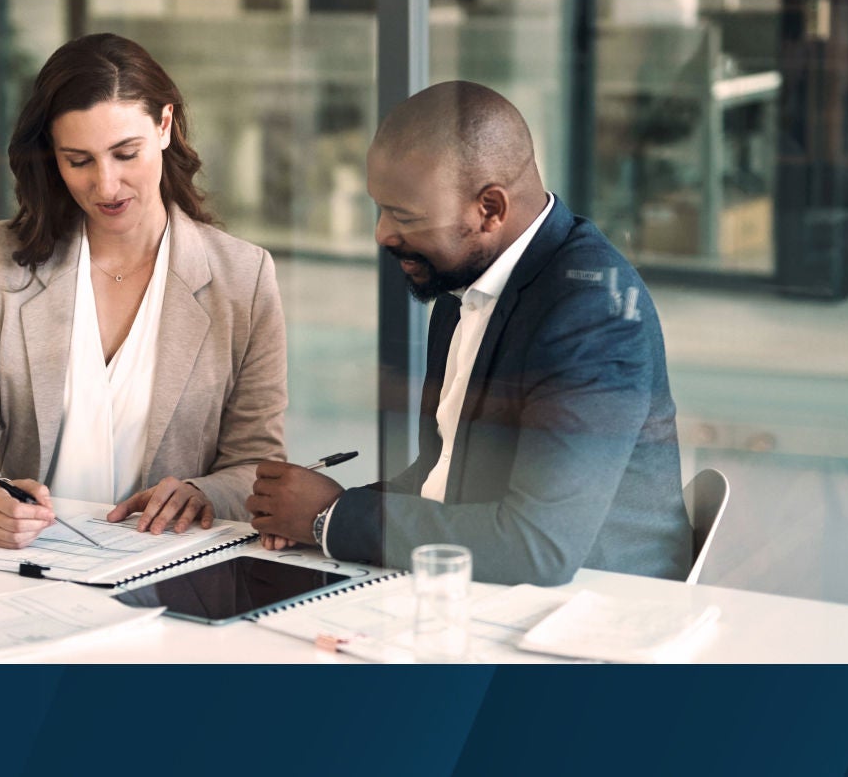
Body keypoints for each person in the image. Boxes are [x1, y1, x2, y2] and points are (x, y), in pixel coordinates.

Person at [247, 80, 691, 586]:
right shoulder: (467, 283)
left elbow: (536, 547)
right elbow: (445, 473)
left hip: (595, 615)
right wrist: (321, 511)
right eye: (381, 207)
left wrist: (332, 519)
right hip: (490, 593)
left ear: (490, 209)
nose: (383, 234)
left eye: (405, 216)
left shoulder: (592, 316)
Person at [0, 33, 287, 550]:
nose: (106, 186)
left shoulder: (243, 277)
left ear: (164, 125)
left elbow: (257, 464)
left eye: (125, 153)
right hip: (26, 562)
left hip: (169, 567)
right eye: (79, 160)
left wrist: (203, 493)